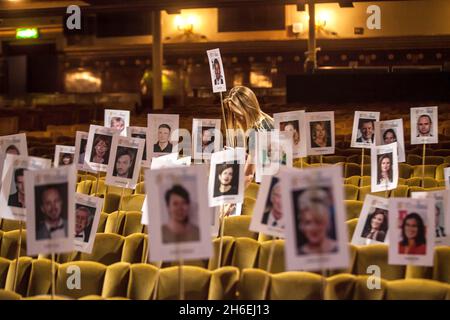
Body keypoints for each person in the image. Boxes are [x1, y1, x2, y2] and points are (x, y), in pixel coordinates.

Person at [223, 86, 274, 188]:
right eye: (233, 114)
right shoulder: (267, 121)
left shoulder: (256, 131)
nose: (235, 118)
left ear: (247, 109)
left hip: (266, 188)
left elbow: (248, 175)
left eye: (237, 114)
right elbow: (261, 158)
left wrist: (231, 197)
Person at [296, 189, 338, 255]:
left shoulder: (340, 250)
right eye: (308, 222)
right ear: (302, 225)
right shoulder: (297, 254)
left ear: (327, 222)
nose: (313, 228)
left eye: (318, 221)